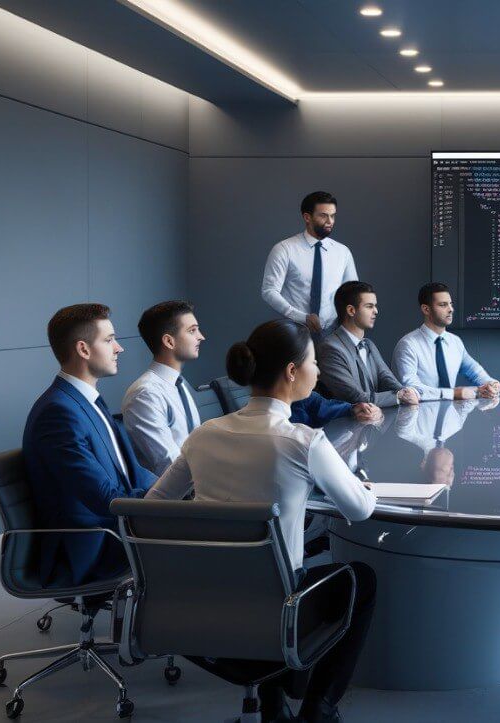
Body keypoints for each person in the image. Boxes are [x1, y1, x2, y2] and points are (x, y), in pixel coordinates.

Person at [148, 319, 376, 723]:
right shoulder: (303, 441)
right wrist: (365, 486)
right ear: (292, 372)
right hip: (279, 612)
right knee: (359, 579)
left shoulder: (203, 434)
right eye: (313, 363)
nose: (318, 371)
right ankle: (318, 709)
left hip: (200, 604)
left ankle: (273, 702)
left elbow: (153, 507)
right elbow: (359, 510)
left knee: (266, 570)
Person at [24, 304, 156, 586]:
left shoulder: (84, 401)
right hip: (91, 547)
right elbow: (106, 499)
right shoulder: (58, 413)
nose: (119, 348)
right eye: (109, 340)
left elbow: (131, 473)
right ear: (83, 350)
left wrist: (175, 490)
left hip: (115, 527)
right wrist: (163, 502)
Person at [121, 301, 206, 475]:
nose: (201, 336)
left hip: (199, 487)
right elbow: (169, 466)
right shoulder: (145, 394)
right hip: (177, 498)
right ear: (169, 341)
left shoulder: (179, 385)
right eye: (192, 330)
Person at [261, 191, 357, 339]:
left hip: (334, 334)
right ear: (307, 217)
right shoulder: (285, 249)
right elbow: (269, 290)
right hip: (295, 333)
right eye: (323, 215)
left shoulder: (343, 252)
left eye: (333, 215)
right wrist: (301, 317)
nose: (330, 221)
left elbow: (353, 293)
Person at [316, 281, 419, 407]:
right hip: (344, 424)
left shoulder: (369, 344)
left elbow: (386, 378)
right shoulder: (330, 348)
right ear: (351, 310)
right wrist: (399, 396)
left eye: (375, 306)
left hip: (374, 421)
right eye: (369, 306)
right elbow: (355, 397)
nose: (376, 311)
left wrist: (404, 392)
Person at [393, 282, 500, 401]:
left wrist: (490, 383)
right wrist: (453, 393)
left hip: (451, 415)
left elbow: (473, 369)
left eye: (450, 304)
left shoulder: (455, 342)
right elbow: (411, 388)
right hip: (418, 414)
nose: (451, 310)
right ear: (426, 309)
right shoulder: (408, 345)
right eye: (443, 305)